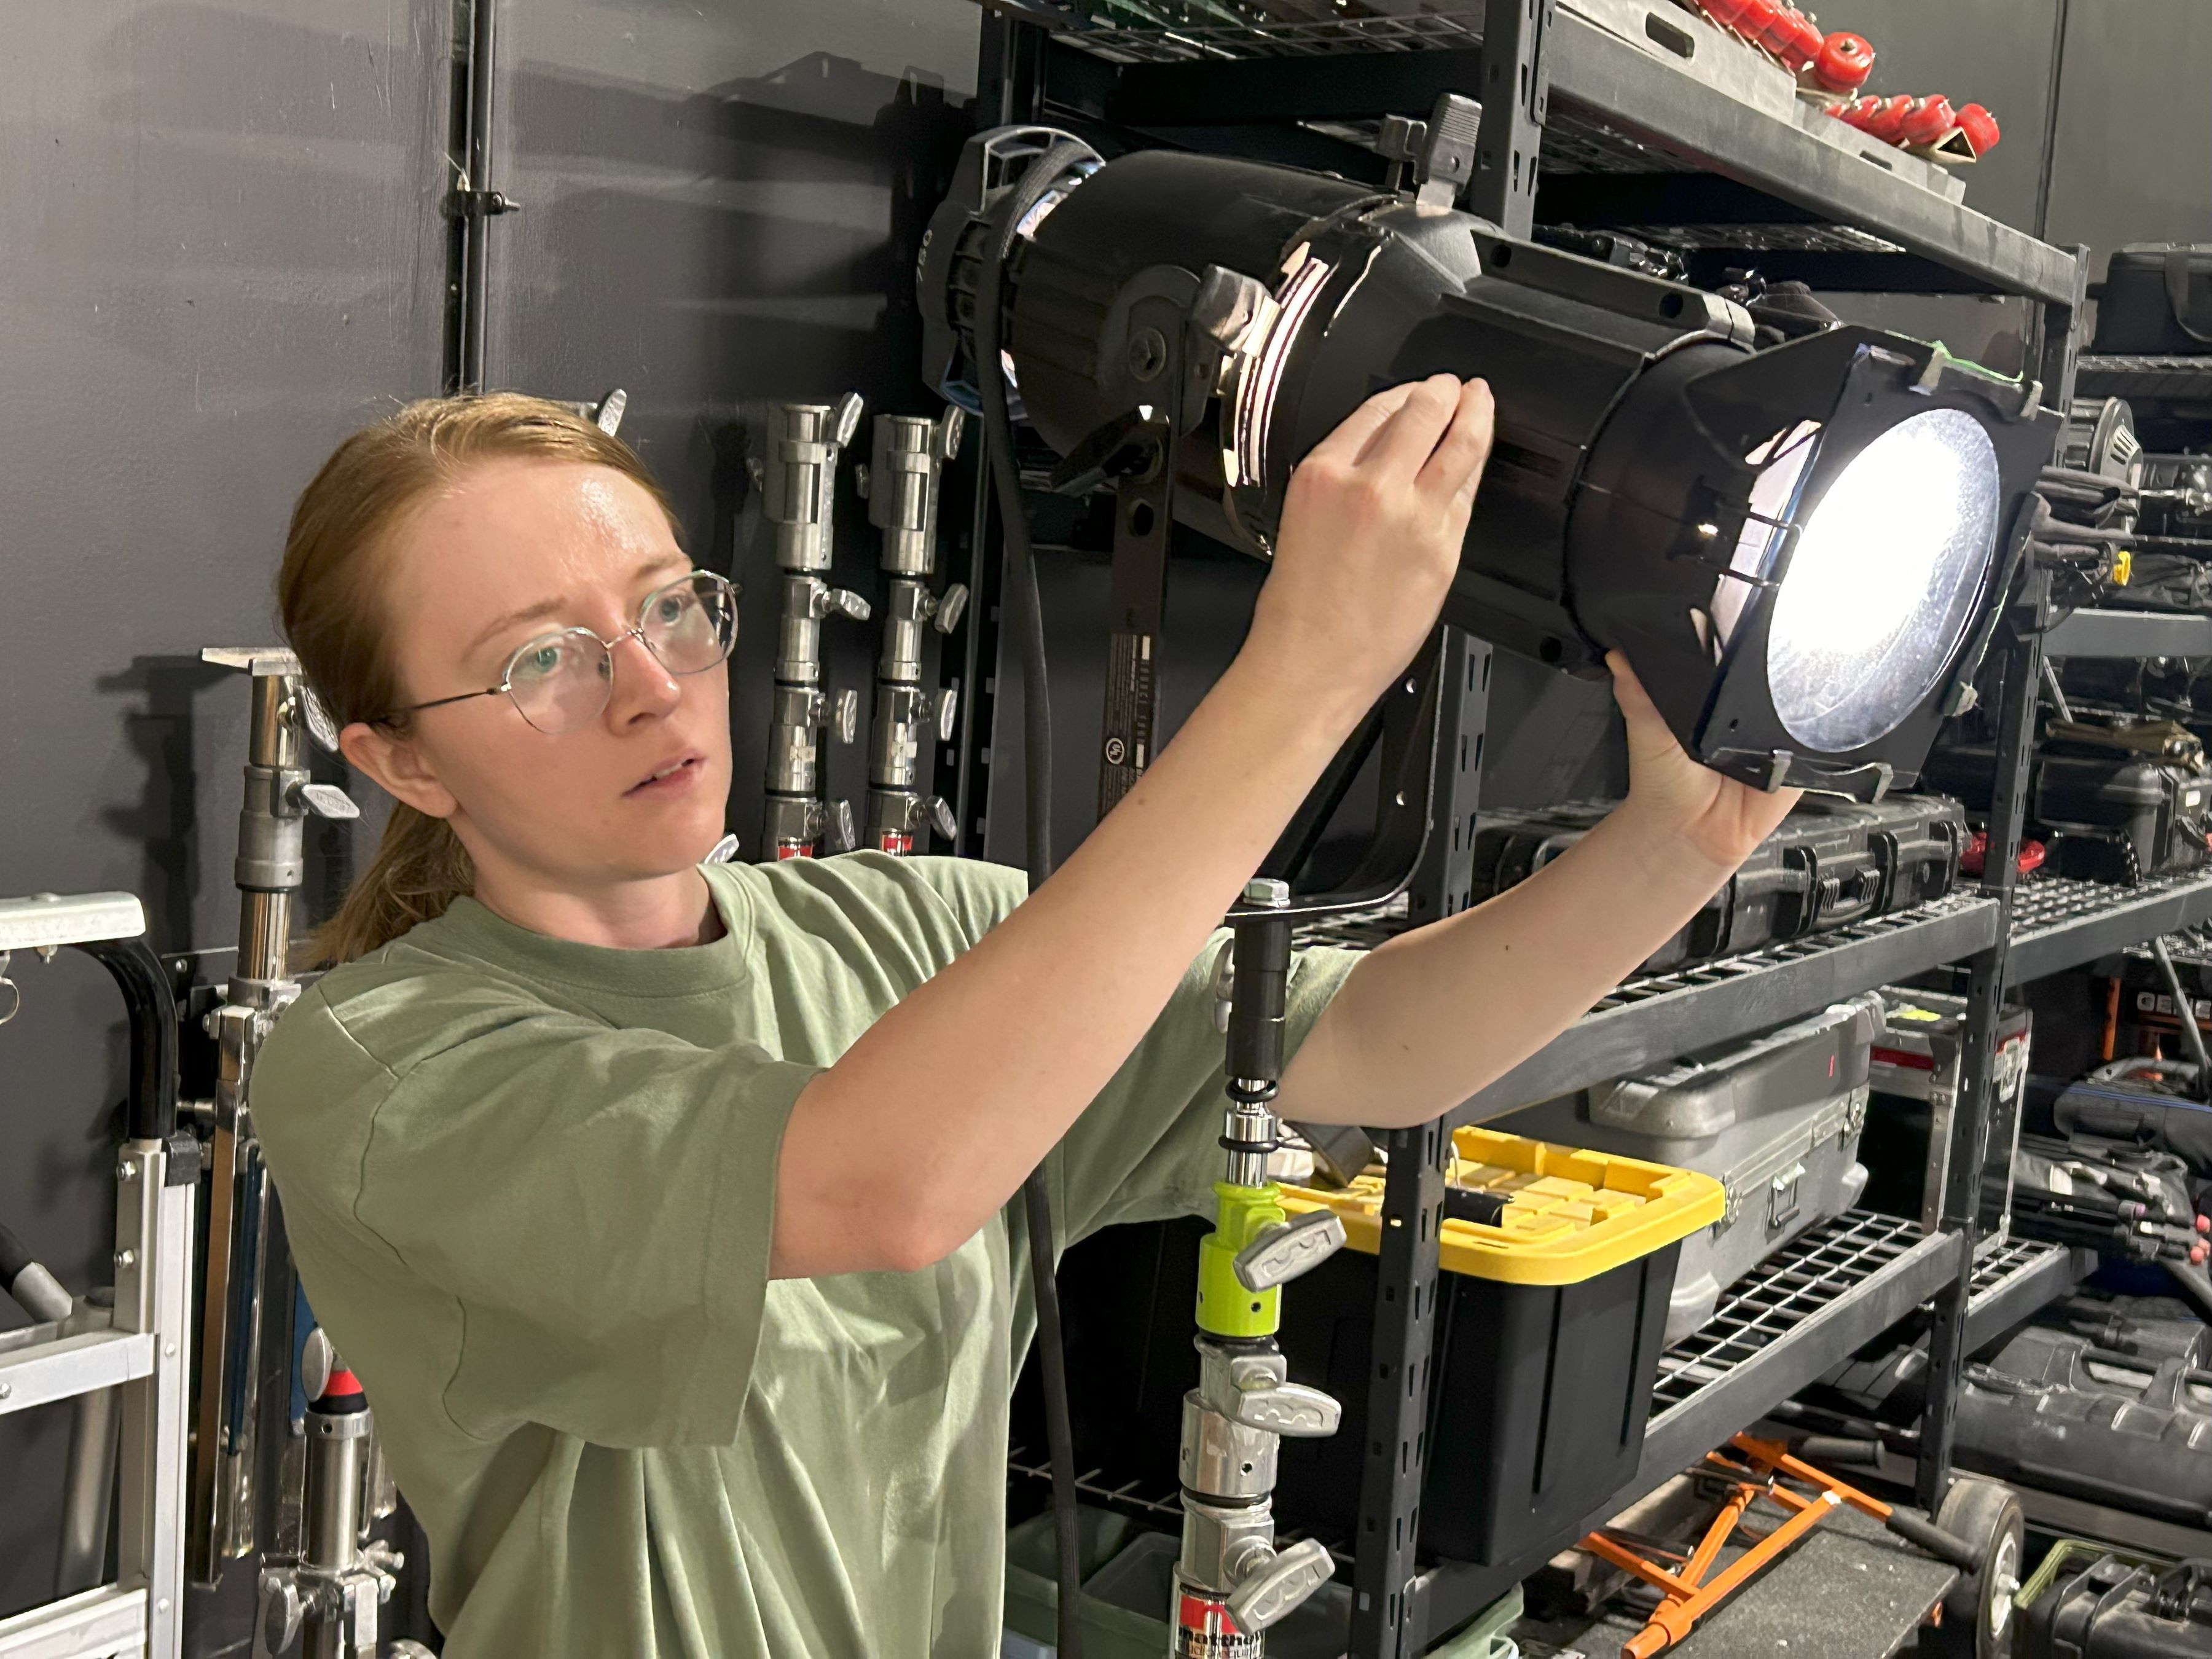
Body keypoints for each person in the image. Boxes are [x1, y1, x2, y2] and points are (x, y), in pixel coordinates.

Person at [253, 378, 1798, 1658]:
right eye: (540, 661)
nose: (652, 688)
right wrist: (1310, 674)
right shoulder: (381, 1071)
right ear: (403, 763)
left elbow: (1378, 1046)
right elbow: (881, 1185)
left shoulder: (919, 932)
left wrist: (1676, 846)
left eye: (669, 607)